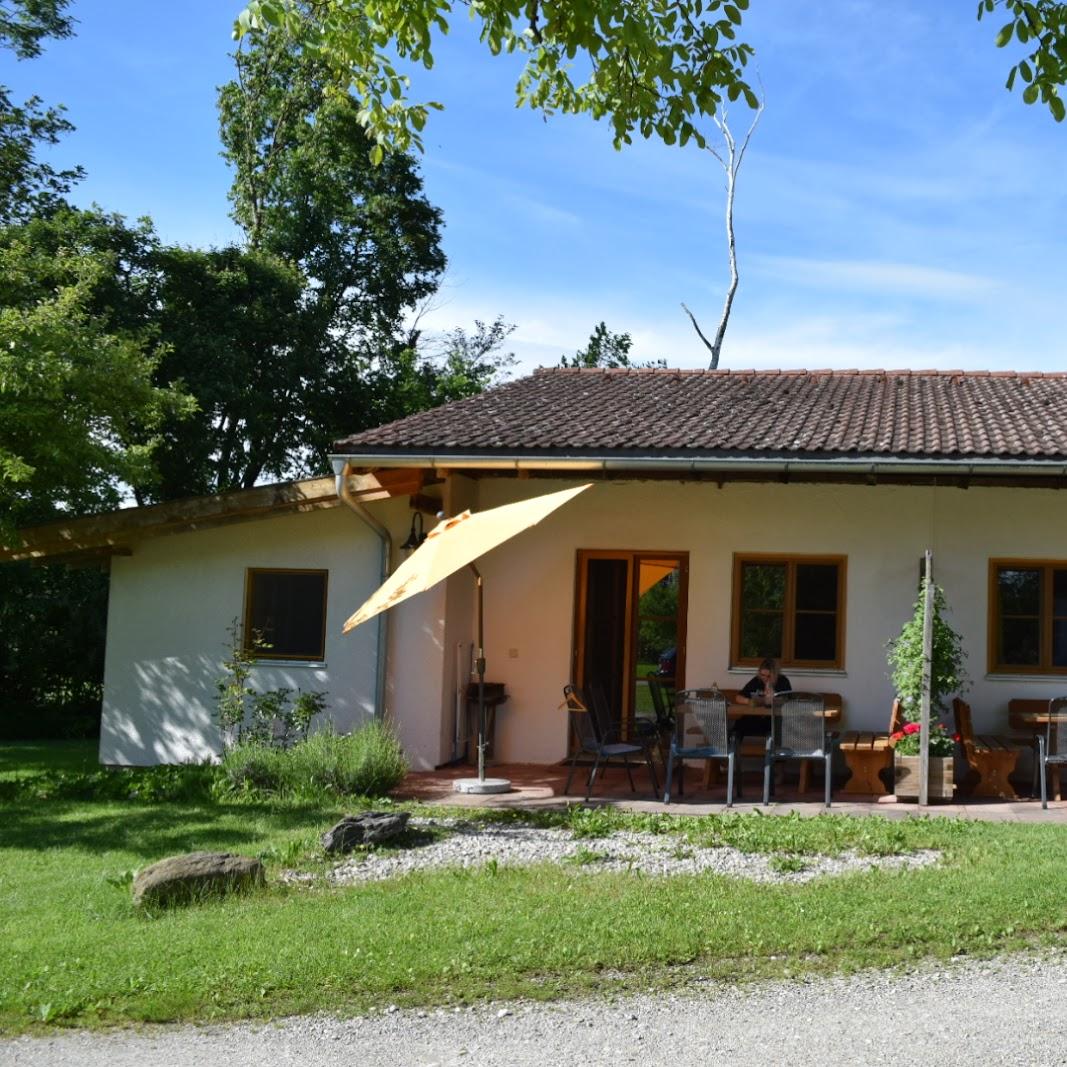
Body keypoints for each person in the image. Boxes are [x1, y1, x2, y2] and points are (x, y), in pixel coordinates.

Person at [732, 657, 792, 740]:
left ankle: (774, 750)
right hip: (756, 717)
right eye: (762, 675)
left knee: (778, 728)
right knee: (739, 725)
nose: (765, 678)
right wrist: (750, 701)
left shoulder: (783, 681)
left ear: (775, 674)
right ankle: (733, 750)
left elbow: (788, 700)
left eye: (769, 676)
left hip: (775, 718)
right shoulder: (757, 680)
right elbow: (738, 697)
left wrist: (772, 695)